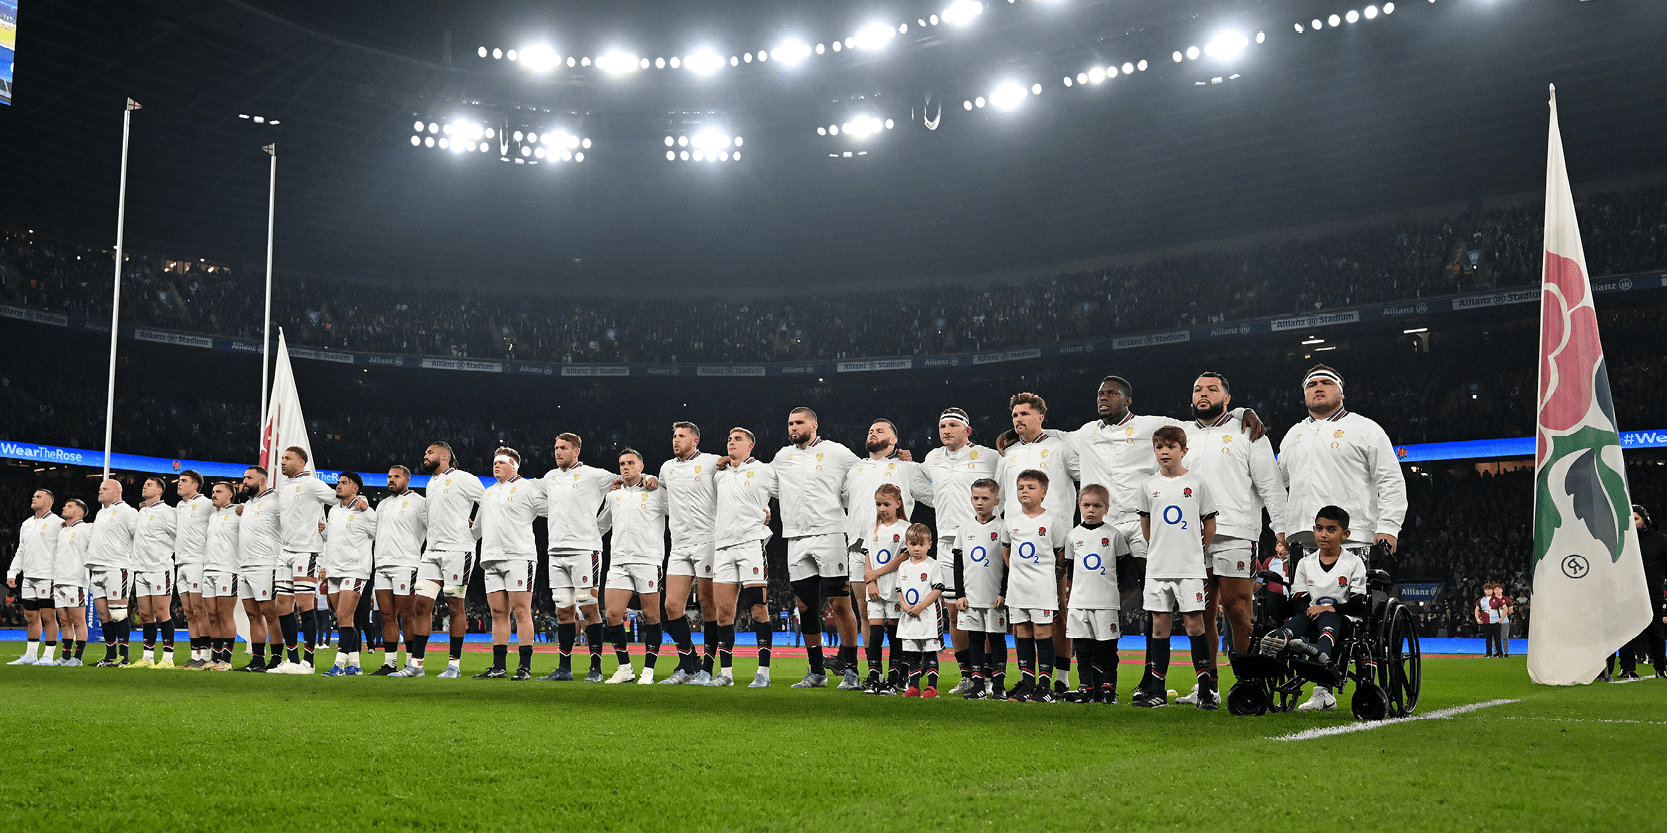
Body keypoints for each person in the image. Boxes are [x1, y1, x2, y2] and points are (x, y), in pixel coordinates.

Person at [1276, 365, 1405, 709]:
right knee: (1305, 610)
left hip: (1355, 537)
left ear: (1341, 393)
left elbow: (1390, 479)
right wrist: (1280, 528)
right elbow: (1278, 486)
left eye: (1325, 384)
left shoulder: (1365, 429)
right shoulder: (1293, 435)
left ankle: (1349, 683)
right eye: (1312, 385)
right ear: (1304, 394)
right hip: (1305, 540)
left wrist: (1388, 526)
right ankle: (1322, 691)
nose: (1318, 389)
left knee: (1350, 614)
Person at [1178, 372, 1286, 704]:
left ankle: (1248, 682)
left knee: (1238, 608)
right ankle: (1207, 685)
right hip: (1190, 535)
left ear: (1227, 398)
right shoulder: (1180, 433)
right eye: (1197, 389)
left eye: (1212, 389)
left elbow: (1270, 485)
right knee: (1200, 612)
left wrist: (1280, 531)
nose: (1203, 394)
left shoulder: (1247, 431)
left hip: (1235, 530)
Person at [771, 406, 860, 689]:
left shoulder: (837, 452)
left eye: (798, 422)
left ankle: (851, 670)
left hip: (830, 532)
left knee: (839, 603)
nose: (793, 427)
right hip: (795, 536)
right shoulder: (782, 457)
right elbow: (765, 484)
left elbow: (863, 473)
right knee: (804, 606)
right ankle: (816, 671)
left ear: (814, 425)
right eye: (789, 423)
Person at [996, 392, 1079, 692]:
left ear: (1041, 417)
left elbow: (1087, 477)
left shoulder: (1060, 448)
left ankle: (1061, 676)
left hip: (1054, 541)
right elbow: (999, 499)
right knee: (1020, 615)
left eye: (1024, 414)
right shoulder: (1008, 454)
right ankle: (1028, 678)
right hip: (1017, 541)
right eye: (1015, 415)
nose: (1018, 419)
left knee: (1060, 608)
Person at [1132, 426, 1218, 710]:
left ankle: (1205, 692)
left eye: (1170, 446)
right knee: (1159, 627)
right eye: (1159, 447)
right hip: (1158, 567)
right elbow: (1146, 523)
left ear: (1183, 450)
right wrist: (1157, 546)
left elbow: (1209, 522)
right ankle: (1157, 692)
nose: (1164, 452)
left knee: (1195, 625)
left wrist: (1197, 549)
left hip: (1190, 567)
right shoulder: (1148, 486)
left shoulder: (1197, 483)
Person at [843, 418, 934, 682]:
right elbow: (844, 500)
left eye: (880, 430)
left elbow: (933, 492)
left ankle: (902, 672)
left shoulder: (905, 468)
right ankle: (874, 674)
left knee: (898, 612)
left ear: (894, 439)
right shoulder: (855, 468)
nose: (873, 432)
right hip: (860, 547)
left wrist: (917, 465)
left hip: (897, 551)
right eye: (870, 429)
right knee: (865, 610)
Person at [1258, 506, 1367, 711]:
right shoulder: (1305, 563)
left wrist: (1329, 609)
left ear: (1345, 534)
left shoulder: (1354, 563)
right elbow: (1298, 597)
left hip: (1343, 617)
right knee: (1299, 618)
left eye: (1330, 529)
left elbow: (1357, 601)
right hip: (1311, 613)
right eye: (1318, 528)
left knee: (1327, 619)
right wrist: (1313, 608)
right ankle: (1280, 638)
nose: (1323, 534)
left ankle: (1320, 654)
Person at [921, 407, 999, 693]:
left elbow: (1004, 482)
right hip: (945, 543)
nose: (946, 430)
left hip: (980, 539)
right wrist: (941, 502)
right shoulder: (932, 458)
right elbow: (919, 485)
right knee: (955, 612)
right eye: (942, 426)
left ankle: (989, 676)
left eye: (953, 425)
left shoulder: (989, 456)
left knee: (985, 610)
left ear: (967, 430)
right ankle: (968, 675)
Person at [538, 433, 615, 682]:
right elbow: (529, 495)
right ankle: (564, 668)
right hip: (555, 551)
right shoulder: (549, 478)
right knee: (563, 610)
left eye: (563, 448)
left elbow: (624, 481)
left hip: (585, 549)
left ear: (576, 451)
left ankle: (596, 669)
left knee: (588, 607)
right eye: (556, 447)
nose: (557, 452)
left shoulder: (593, 475)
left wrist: (648, 481)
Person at [405, 441, 485, 679]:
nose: (425, 455)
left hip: (458, 550)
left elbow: (489, 501)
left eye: (430, 452)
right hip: (432, 551)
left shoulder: (464, 478)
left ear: (444, 455)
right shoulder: (431, 483)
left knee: (455, 605)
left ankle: (454, 665)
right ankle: (416, 665)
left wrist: (475, 531)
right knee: (421, 605)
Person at [709, 428, 779, 687]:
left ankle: (764, 673)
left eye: (738, 439)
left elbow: (788, 492)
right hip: (723, 547)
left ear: (751, 445)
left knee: (758, 609)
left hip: (750, 544)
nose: (731, 442)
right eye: (729, 439)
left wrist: (767, 511)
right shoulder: (720, 476)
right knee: (723, 613)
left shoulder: (763, 470)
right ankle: (725, 673)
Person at [471, 448, 545, 680]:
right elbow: (477, 530)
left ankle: (524, 667)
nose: (496, 466)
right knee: (497, 612)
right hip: (491, 558)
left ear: (514, 466)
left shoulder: (528, 487)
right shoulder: (488, 493)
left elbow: (554, 509)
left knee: (521, 611)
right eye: (495, 462)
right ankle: (499, 666)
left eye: (502, 462)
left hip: (519, 556)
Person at [657, 421, 721, 685]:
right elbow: (661, 495)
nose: (676, 440)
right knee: (672, 606)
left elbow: (735, 483)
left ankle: (707, 667)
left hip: (707, 539)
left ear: (695, 440)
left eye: (681, 436)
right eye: (674, 435)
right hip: (680, 542)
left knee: (708, 605)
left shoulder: (712, 462)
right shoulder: (666, 468)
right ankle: (688, 665)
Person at [1001, 468, 1068, 703]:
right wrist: (1017, 570)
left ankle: (1045, 686)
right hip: (1018, 588)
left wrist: (1050, 575)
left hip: (1042, 588)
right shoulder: (1011, 522)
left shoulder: (1051, 521)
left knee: (1042, 632)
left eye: (1030, 488)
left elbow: (1061, 555)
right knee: (1022, 632)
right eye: (1021, 488)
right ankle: (1027, 684)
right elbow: (1006, 550)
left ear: (1043, 493)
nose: (1024, 491)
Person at [601, 448, 665, 685]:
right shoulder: (613, 495)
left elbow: (680, 513)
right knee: (614, 615)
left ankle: (648, 670)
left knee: (651, 615)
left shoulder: (657, 492)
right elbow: (601, 525)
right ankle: (625, 668)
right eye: (621, 463)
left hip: (647, 560)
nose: (625, 467)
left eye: (630, 463)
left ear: (641, 466)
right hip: (618, 561)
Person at [1062, 484, 1129, 704]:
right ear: (1079, 505)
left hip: (1106, 603)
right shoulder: (1073, 536)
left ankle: (1108, 690)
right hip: (1079, 603)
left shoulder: (1113, 535)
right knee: (1082, 649)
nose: (1091, 509)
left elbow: (1123, 570)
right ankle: (1086, 689)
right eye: (1086, 505)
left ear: (1106, 508)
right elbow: (1071, 572)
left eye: (1097, 505)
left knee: (1107, 649)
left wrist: (1114, 592)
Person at [953, 478, 1010, 700]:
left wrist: (1003, 592)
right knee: (974, 640)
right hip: (971, 597)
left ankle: (998, 686)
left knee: (996, 640)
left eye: (985, 498)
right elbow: (958, 564)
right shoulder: (964, 528)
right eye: (976, 498)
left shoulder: (1004, 528)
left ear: (996, 501)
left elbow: (1008, 565)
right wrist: (960, 594)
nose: (979, 502)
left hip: (994, 597)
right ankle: (977, 685)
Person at [320, 471, 378, 677]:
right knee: (346, 619)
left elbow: (378, 533)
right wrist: (323, 531)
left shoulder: (366, 512)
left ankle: (339, 665)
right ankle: (355, 664)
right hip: (334, 569)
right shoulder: (334, 511)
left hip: (355, 570)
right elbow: (331, 540)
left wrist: (367, 506)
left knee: (344, 616)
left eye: (344, 483)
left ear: (355, 489)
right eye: (338, 483)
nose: (338, 486)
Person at [372, 464, 426, 676]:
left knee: (408, 614)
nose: (391, 480)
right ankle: (390, 663)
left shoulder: (420, 503)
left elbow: (434, 527)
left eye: (396, 477)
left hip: (406, 563)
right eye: (389, 477)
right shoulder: (382, 505)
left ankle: (413, 663)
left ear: (407, 480)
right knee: (386, 614)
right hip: (382, 564)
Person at [859, 483, 911, 694]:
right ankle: (873, 677)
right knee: (876, 634)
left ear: (898, 504)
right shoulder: (872, 529)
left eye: (886, 504)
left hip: (895, 589)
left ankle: (894, 678)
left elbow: (904, 558)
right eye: (878, 504)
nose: (882, 508)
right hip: (875, 590)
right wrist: (870, 581)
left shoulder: (906, 529)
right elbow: (867, 555)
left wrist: (876, 575)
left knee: (895, 635)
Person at [236, 466, 284, 672]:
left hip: (266, 564)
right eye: (244, 477)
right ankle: (257, 660)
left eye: (249, 478)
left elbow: (295, 520)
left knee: (270, 613)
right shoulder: (248, 504)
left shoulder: (276, 500)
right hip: (244, 565)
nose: (244, 481)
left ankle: (277, 659)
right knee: (252, 615)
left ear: (262, 481)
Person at [87, 479, 139, 667]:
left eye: (105, 488)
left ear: (118, 491)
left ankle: (124, 657)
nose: (100, 490)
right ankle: (110, 656)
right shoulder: (101, 512)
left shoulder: (128, 511)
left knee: (118, 613)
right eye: (100, 487)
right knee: (103, 616)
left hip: (118, 567)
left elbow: (139, 537)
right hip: (97, 568)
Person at [6, 488, 61, 666]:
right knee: (30, 615)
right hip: (29, 576)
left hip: (48, 576)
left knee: (48, 616)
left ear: (48, 502)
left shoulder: (58, 523)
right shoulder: (26, 523)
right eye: (34, 495)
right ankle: (30, 655)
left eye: (38, 496)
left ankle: (48, 656)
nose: (33, 498)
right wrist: (13, 572)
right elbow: (21, 550)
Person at [129, 475, 178, 669]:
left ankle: (168, 658)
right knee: (145, 615)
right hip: (141, 569)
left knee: (161, 612)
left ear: (159, 490)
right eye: (144, 484)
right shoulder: (141, 512)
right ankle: (147, 657)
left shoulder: (167, 512)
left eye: (149, 485)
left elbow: (179, 535)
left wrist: (167, 553)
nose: (144, 486)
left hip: (160, 568)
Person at [893, 524, 947, 698]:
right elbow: (899, 590)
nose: (916, 548)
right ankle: (914, 687)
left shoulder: (933, 565)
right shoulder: (903, 566)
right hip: (909, 617)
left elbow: (938, 589)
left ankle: (932, 687)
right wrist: (905, 606)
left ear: (929, 545)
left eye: (921, 544)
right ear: (906, 544)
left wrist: (921, 607)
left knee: (930, 653)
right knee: (912, 655)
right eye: (913, 544)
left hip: (929, 617)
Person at [1616, 505, 1666, 679]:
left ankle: (1661, 668)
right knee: (1627, 634)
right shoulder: (1622, 541)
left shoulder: (1661, 541)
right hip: (1627, 595)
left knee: (1656, 633)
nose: (1632, 522)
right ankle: (1627, 668)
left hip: (1653, 594)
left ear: (1645, 519)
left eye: (1636, 518)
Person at [171, 470, 214, 668]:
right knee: (188, 612)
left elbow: (225, 511)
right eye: (179, 480)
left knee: (199, 609)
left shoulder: (206, 503)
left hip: (198, 561)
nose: (179, 483)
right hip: (181, 563)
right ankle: (195, 654)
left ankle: (206, 655)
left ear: (195, 485)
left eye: (184, 481)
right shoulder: (180, 506)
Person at [200, 482, 241, 670]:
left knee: (226, 615)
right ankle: (216, 658)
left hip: (227, 569)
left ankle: (227, 660)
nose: (214, 494)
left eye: (218, 492)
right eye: (213, 491)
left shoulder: (239, 513)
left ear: (230, 496)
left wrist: (245, 508)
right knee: (212, 616)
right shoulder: (212, 516)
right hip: (208, 569)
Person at [50, 498, 91, 667]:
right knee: (64, 622)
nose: (64, 507)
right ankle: (66, 657)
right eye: (65, 505)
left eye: (69, 506)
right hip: (59, 581)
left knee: (78, 621)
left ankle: (78, 658)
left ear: (79, 512)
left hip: (76, 581)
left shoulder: (87, 529)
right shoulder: (62, 531)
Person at [1475, 584, 1503, 658]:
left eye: (1489, 589)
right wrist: (1478, 619)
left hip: (1496, 622)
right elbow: (1476, 609)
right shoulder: (1481, 600)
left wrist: (1501, 618)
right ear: (1484, 591)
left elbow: (1505, 608)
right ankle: (1488, 653)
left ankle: (1500, 653)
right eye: (1486, 589)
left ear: (1492, 590)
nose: (1488, 591)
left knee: (1497, 638)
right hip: (1486, 622)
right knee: (1488, 639)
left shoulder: (1497, 599)